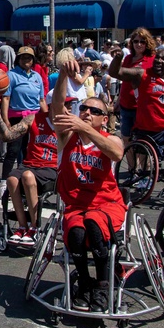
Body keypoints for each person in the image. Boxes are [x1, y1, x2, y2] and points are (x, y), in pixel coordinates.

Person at [51, 59, 126, 313]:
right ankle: (84, 281)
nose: (86, 112)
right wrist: (62, 74)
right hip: (76, 206)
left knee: (94, 224)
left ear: (104, 119)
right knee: (76, 232)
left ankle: (104, 286)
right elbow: (57, 107)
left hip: (106, 205)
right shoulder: (68, 136)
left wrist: (86, 128)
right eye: (84, 108)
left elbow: (116, 154)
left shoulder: (111, 139)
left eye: (94, 111)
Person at [0, 93, 66, 245]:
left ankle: (35, 227)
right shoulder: (33, 119)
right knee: (11, 179)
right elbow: (7, 136)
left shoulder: (67, 124)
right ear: (52, 105)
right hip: (30, 164)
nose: (67, 108)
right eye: (64, 104)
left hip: (51, 167)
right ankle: (22, 226)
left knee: (27, 176)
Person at [0, 46, 45, 196]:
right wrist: (6, 119)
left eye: (29, 58)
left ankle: (24, 182)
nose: (26, 60)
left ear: (33, 60)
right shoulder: (11, 75)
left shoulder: (37, 77)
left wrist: (48, 118)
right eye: (23, 57)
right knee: (13, 150)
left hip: (35, 118)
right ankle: (4, 184)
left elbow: (42, 100)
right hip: (17, 117)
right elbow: (6, 98)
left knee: (30, 152)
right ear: (18, 59)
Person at [112, 28, 156, 139]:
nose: (139, 44)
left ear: (147, 43)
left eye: (142, 41)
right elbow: (123, 80)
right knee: (126, 137)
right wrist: (118, 100)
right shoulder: (128, 58)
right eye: (136, 41)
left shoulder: (152, 60)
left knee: (142, 138)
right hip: (125, 104)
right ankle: (131, 157)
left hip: (142, 106)